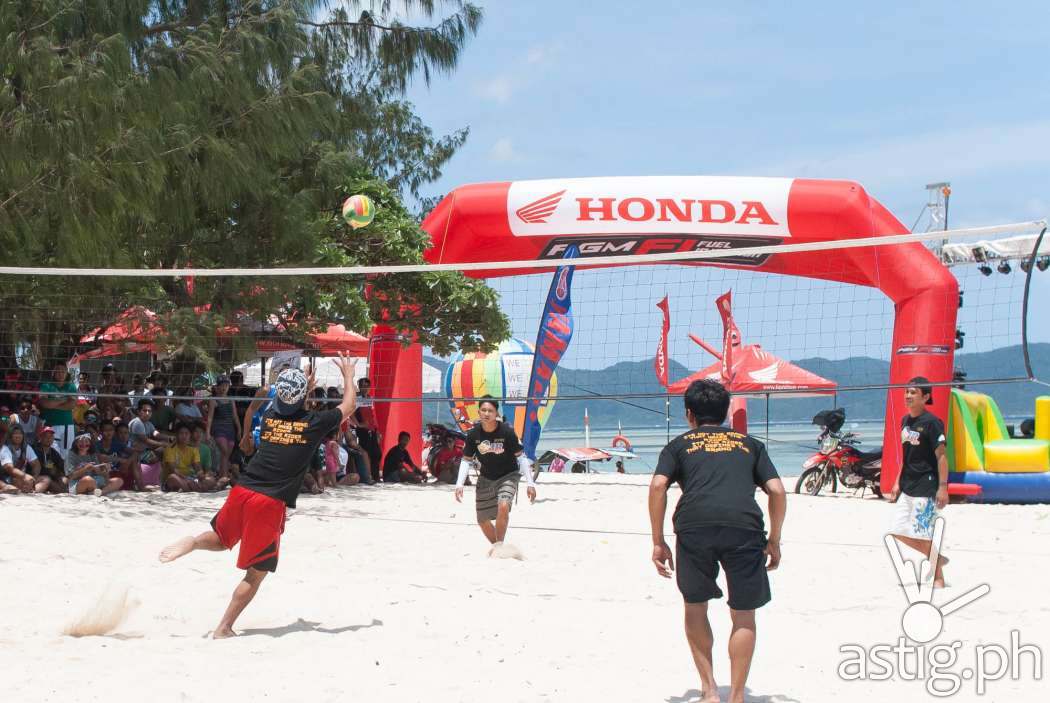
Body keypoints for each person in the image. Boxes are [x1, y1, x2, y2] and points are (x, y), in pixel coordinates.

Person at [158, 356, 357, 638]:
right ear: (303, 399)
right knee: (256, 573)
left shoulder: (271, 419)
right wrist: (348, 375)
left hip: (243, 490)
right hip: (268, 502)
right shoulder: (313, 423)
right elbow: (348, 406)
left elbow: (284, 404)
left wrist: (303, 387)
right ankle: (224, 628)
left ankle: (192, 543)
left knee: (221, 539)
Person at [648, 379, 786, 703]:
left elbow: (657, 487)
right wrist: (775, 540)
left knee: (695, 607)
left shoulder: (678, 446)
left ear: (689, 414)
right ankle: (736, 696)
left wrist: (658, 540)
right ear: (725, 413)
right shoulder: (750, 445)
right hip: (745, 528)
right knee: (744, 614)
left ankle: (710, 690)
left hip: (694, 527)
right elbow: (778, 491)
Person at [889, 376, 950, 588]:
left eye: (913, 392)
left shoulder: (933, 423)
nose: (908, 395)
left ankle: (939, 577)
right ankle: (938, 558)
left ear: (925, 397)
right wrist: (897, 481)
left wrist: (943, 488)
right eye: (907, 392)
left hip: (927, 484)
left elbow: (941, 456)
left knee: (923, 534)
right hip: (907, 483)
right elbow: (906, 456)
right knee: (896, 532)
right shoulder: (905, 421)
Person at [454, 397, 537, 551]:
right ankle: (499, 548)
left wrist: (530, 484)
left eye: (490, 411)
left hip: (508, 475)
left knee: (503, 506)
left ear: (496, 413)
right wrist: (459, 484)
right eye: (483, 410)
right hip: (485, 478)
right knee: (482, 520)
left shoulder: (507, 432)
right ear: (478, 412)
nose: (486, 413)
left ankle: (499, 546)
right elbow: (466, 461)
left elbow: (522, 458)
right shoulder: (473, 435)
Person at [162, 423, 219, 492]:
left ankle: (189, 488)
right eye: (181, 433)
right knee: (172, 477)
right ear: (176, 435)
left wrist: (201, 475)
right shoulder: (170, 449)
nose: (184, 436)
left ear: (190, 435)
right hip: (176, 478)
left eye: (186, 434)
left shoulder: (193, 450)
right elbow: (173, 470)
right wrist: (187, 480)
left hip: (190, 478)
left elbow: (197, 467)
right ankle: (198, 488)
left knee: (211, 479)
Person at [38, 361, 78, 455]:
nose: (60, 373)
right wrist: (64, 399)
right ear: (53, 372)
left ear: (66, 373)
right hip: (50, 424)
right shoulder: (46, 386)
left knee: (67, 453)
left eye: (63, 371)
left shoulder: (71, 386)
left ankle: (64, 470)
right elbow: (45, 403)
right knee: (51, 452)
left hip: (67, 424)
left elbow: (72, 405)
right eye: (58, 371)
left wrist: (53, 404)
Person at [207, 375, 241, 480]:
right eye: (221, 385)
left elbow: (235, 416)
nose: (224, 388)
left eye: (226, 385)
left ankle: (222, 476)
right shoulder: (214, 400)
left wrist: (239, 429)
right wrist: (208, 433)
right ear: (217, 387)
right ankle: (224, 476)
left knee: (225, 455)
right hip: (218, 429)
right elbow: (210, 418)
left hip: (230, 429)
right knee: (225, 452)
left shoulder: (231, 400)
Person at [2, 424, 48, 493]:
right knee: (16, 482)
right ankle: (25, 491)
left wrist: (33, 477)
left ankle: (31, 493)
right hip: (7, 478)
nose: (18, 436)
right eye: (15, 433)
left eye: (20, 433)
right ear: (10, 436)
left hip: (22, 478)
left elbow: (36, 465)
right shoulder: (5, 448)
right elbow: (9, 469)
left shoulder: (26, 447)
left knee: (46, 479)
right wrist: (24, 476)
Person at [352, 377, 382, 482]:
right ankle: (368, 477)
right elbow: (351, 413)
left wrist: (377, 431)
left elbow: (374, 416)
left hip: (372, 429)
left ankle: (375, 476)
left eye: (366, 386)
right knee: (367, 452)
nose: (364, 388)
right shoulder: (357, 398)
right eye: (362, 386)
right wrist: (358, 425)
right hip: (363, 430)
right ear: (359, 387)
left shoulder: (370, 398)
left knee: (376, 453)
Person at [33, 426, 68, 493]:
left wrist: (57, 474)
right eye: (46, 436)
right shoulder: (35, 450)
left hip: (51, 477)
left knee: (64, 480)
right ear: (40, 438)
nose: (49, 439)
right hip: (37, 477)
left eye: (51, 437)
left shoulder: (54, 453)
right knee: (50, 482)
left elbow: (61, 468)